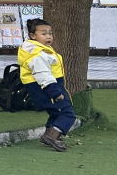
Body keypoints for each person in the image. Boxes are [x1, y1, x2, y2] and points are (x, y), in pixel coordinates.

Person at [18, 18, 75, 152]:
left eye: (50, 33)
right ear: (32, 36)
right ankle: (53, 136)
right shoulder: (37, 54)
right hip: (48, 89)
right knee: (68, 114)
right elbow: (43, 74)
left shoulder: (41, 50)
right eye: (44, 34)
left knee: (56, 113)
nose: (48, 36)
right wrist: (55, 92)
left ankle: (48, 135)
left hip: (46, 88)